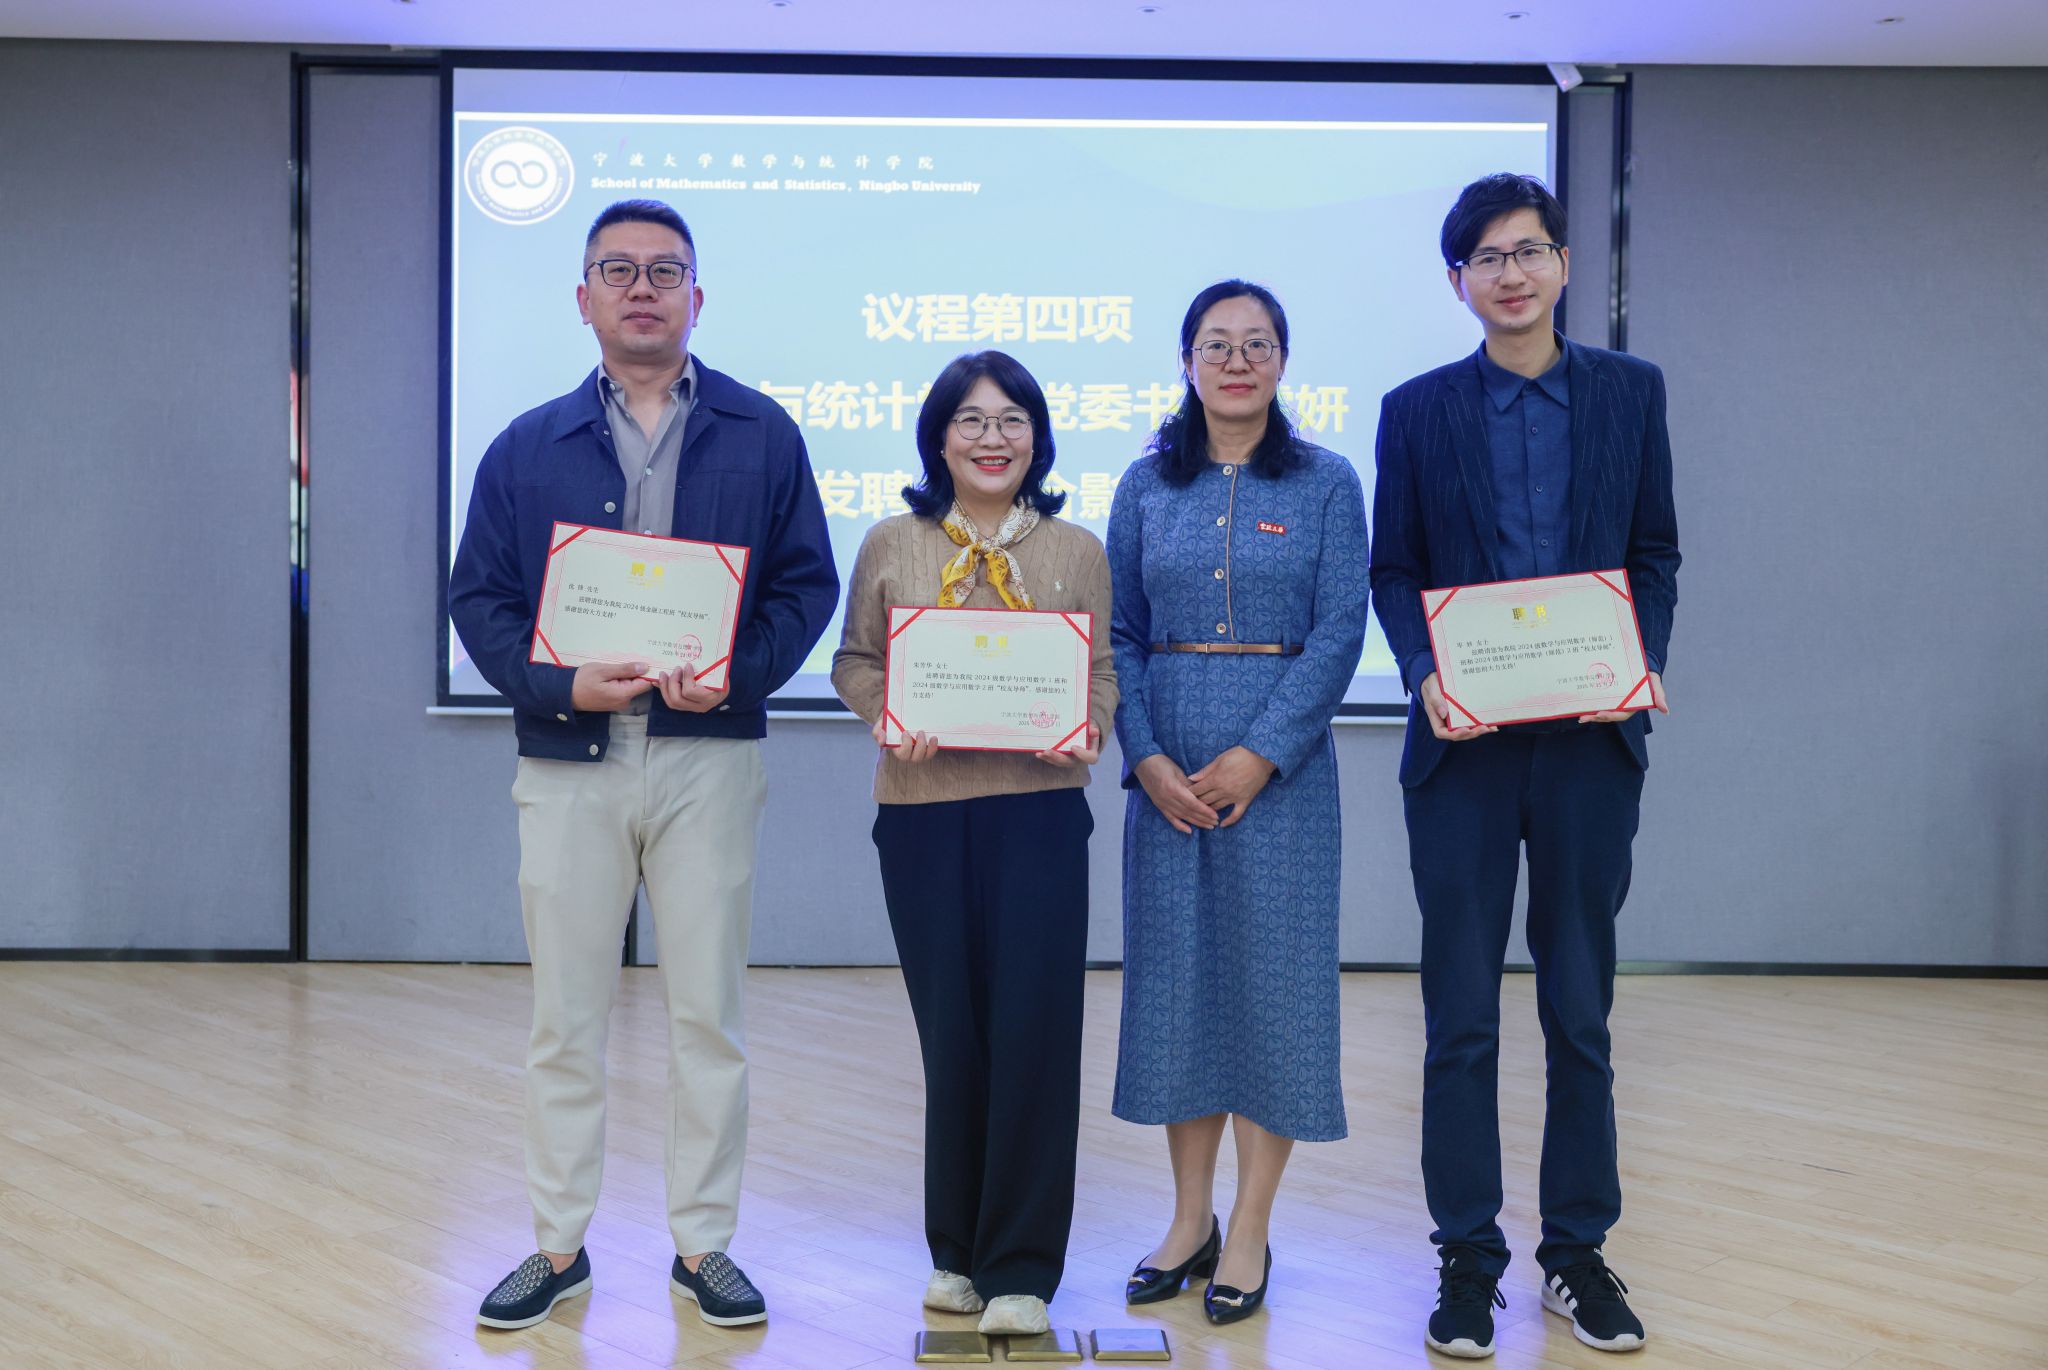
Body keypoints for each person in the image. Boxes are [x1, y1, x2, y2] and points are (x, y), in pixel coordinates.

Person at [450, 198, 838, 1332]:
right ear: (583, 299)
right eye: (616, 270)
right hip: (570, 758)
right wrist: (558, 682)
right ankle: (556, 1246)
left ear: (696, 298)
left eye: (664, 272)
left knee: (708, 1012)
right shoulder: (526, 445)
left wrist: (740, 672)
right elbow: (479, 598)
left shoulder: (763, 433)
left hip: (706, 757)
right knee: (565, 1017)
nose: (641, 289)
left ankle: (703, 1244)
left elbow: (805, 585)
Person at [1369, 173, 1679, 1359]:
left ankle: (1574, 1249)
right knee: (1458, 1013)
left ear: (1560, 263)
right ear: (1457, 281)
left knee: (1577, 1009)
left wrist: (1633, 662)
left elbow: (1652, 551)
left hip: (1589, 745)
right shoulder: (1414, 409)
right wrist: (1420, 671)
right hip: (1462, 750)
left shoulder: (1629, 393)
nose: (1510, 273)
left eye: (1528, 250)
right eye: (1486, 257)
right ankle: (1465, 1256)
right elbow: (1394, 568)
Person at [831, 351, 1116, 1338]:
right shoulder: (889, 541)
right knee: (950, 1034)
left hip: (1039, 813)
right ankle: (954, 1248)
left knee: (1034, 1032)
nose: (992, 438)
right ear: (938, 438)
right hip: (920, 811)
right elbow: (855, 659)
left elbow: (1101, 671)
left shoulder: (1077, 549)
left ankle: (1022, 1265)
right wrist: (887, 713)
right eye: (970, 420)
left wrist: (1083, 726)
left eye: (1011, 420)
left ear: (1037, 437)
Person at [1107, 280, 1370, 1325]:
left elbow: (1340, 629)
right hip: (1167, 765)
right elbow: (1119, 632)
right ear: (1186, 361)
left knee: (1275, 993)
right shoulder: (1145, 483)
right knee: (1180, 989)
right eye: (1215, 344)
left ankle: (1251, 1225)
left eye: (1256, 344)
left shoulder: (1325, 481)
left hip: (1283, 775)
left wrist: (1261, 754)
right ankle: (1188, 1220)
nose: (1235, 361)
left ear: (1281, 362)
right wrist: (1144, 756)